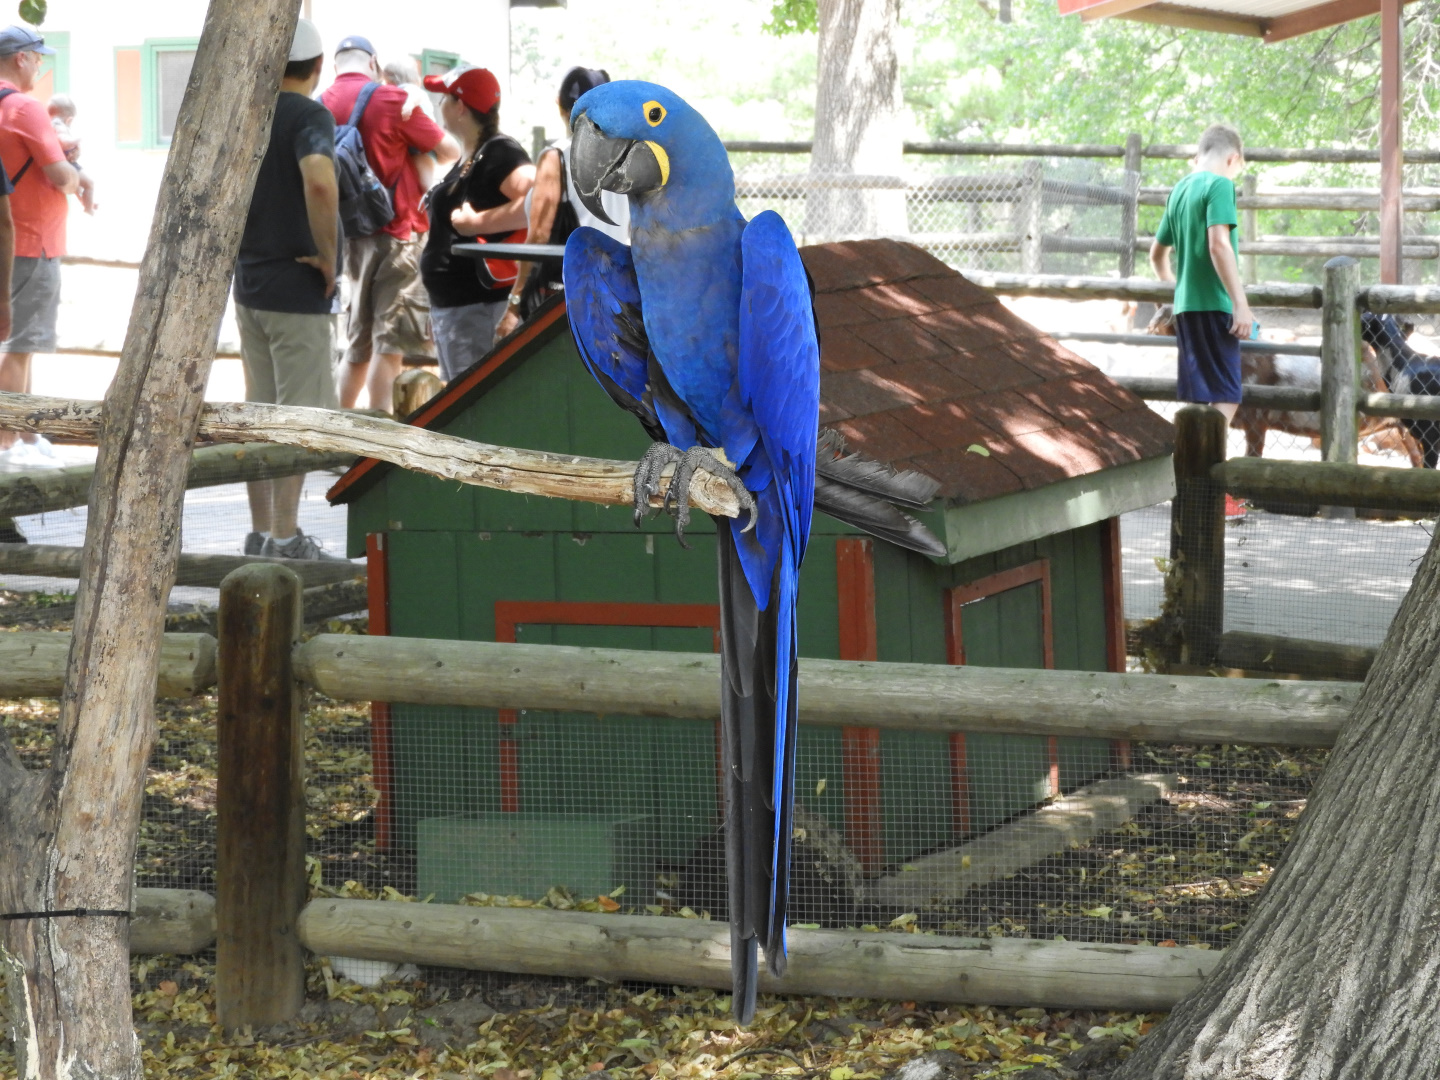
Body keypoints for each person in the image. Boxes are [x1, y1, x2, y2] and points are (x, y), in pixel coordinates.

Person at [234, 18, 345, 561]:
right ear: (318, 67)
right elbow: (320, 180)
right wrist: (328, 256)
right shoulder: (309, 114)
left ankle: (260, 536)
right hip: (296, 287)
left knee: (259, 414)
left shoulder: (246, 113)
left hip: (249, 283)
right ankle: (285, 539)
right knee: (297, 420)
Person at [321, 35, 458, 412]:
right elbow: (451, 151)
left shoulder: (320, 105)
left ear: (335, 67)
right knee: (390, 344)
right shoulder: (392, 101)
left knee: (358, 344)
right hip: (399, 235)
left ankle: (336, 435)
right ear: (374, 64)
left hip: (351, 237)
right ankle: (377, 450)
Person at [0, 25, 93, 465]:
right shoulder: (24, 108)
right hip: (31, 240)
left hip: (9, 239)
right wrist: (78, 178)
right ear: (22, 58)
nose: (41, 66)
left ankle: (27, 434)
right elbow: (59, 175)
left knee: (24, 344)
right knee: (19, 346)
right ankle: (7, 444)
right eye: (39, 58)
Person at [1150, 123, 1251, 519]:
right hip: (1215, 305)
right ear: (1233, 158)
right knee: (1227, 395)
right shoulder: (1220, 186)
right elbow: (1218, 244)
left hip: (1187, 308)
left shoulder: (1179, 189)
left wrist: (1175, 291)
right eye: (1237, 169)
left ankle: (1190, 488)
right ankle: (1206, 487)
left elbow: (1157, 254)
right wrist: (1240, 304)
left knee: (1198, 401)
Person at [418, 64, 533, 381]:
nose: (438, 105)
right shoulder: (472, 155)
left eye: (443, 97)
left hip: (478, 308)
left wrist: (478, 223)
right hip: (456, 308)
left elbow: (538, 198)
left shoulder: (499, 153)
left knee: (472, 403)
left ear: (460, 106)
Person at [495, 66, 627, 342]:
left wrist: (514, 302)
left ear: (560, 107)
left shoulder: (557, 157)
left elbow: (539, 235)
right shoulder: (626, 155)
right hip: (615, 290)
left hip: (564, 297)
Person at [46, 93, 78, 164]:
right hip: (60, 161)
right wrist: (76, 143)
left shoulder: (45, 126)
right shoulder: (59, 125)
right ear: (69, 120)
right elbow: (64, 140)